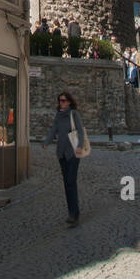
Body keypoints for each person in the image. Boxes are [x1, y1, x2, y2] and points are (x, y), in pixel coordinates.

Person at [42, 90, 85, 226]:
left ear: (69, 102)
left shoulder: (74, 114)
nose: (61, 103)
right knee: (67, 183)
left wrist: (79, 146)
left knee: (71, 182)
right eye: (60, 100)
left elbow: (80, 131)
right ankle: (71, 212)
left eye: (63, 100)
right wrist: (46, 142)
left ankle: (74, 214)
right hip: (61, 153)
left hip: (73, 153)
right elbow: (53, 130)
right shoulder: (58, 115)